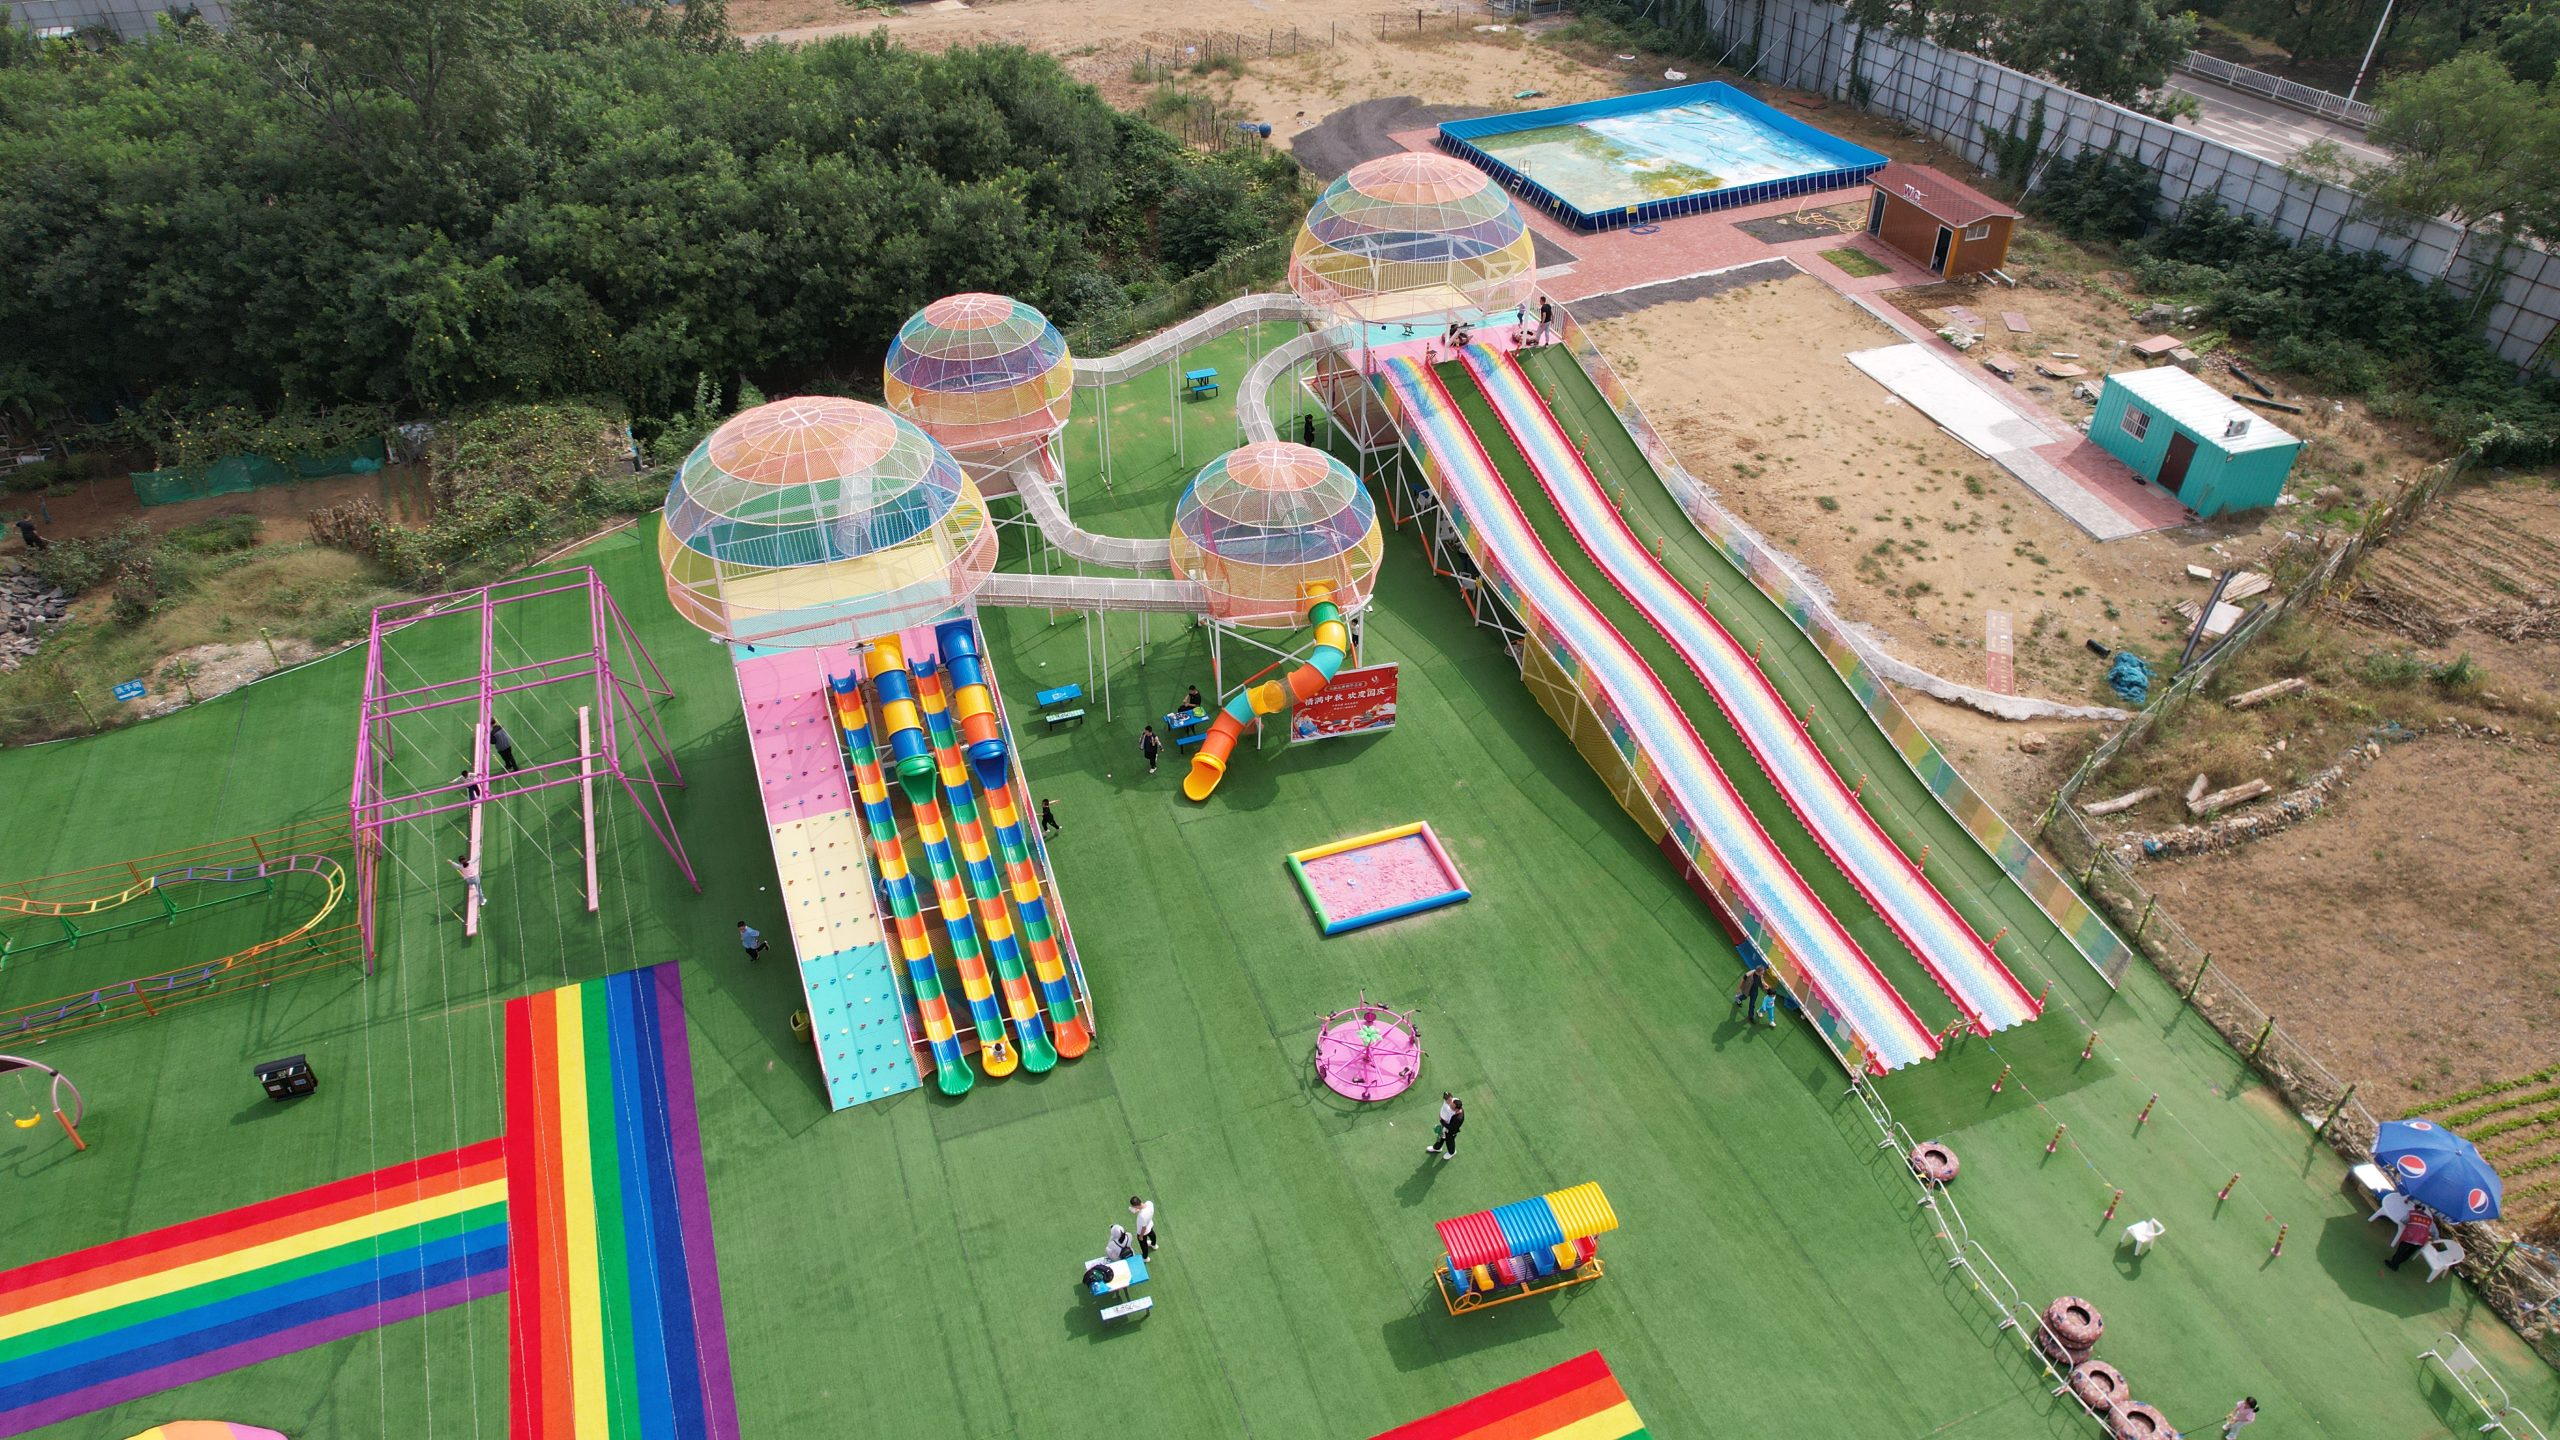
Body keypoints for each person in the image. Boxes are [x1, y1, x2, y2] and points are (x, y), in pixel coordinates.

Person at [1425, 1093, 1465, 1159]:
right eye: (1451, 1104)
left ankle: (1452, 1152)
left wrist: (1441, 1121)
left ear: (1456, 1109)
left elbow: (1450, 1127)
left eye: (1452, 1106)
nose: (1450, 1106)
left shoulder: (1458, 1119)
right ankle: (1437, 1148)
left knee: (1449, 1141)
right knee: (1440, 1137)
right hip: (1445, 1126)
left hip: (1451, 1131)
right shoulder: (1455, 1105)